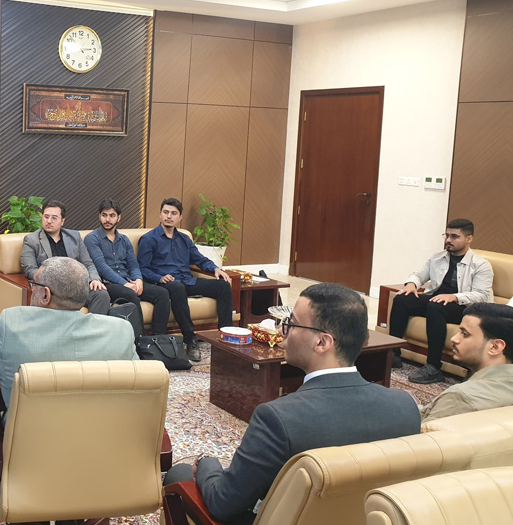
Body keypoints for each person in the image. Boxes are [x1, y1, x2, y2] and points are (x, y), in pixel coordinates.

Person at [163, 283, 421, 524]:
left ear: (322, 342)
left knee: (180, 475)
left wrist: (207, 462)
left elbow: (223, 503)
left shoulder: (278, 418)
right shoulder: (404, 406)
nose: (280, 332)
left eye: (290, 324)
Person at [0, 256, 137, 410]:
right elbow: (140, 390)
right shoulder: (121, 332)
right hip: (104, 439)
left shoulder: (13, 326)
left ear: (46, 295)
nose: (31, 288)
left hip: (29, 442)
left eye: (34, 284)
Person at [388, 218, 494, 384]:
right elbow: (419, 275)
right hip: (437, 302)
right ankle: (393, 353)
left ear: (469, 239)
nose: (448, 240)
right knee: (402, 299)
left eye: (454, 237)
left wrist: (454, 296)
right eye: (447, 235)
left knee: (435, 305)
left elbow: (481, 295)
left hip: (465, 308)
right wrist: (411, 284)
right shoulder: (438, 258)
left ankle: (433, 367)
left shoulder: (481, 265)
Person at [137, 197, 233, 362]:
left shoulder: (184, 239)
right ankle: (190, 339)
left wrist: (215, 269)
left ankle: (226, 337)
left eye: (173, 213)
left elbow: (199, 259)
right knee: (177, 287)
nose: (169, 216)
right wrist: (160, 278)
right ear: (160, 214)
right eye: (166, 212)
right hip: (165, 284)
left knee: (223, 286)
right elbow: (142, 269)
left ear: (180, 217)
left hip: (188, 281)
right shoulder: (149, 239)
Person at [420, 303, 513, 422]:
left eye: (464, 334)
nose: (454, 339)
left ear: (495, 347)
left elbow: (421, 433)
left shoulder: (460, 397)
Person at [84, 198, 171, 336]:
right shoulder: (92, 238)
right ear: (99, 216)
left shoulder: (124, 240)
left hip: (127, 280)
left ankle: (157, 338)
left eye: (112, 215)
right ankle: (139, 339)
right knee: (130, 295)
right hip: (108, 283)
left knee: (162, 294)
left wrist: (138, 280)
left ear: (118, 218)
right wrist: (125, 284)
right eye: (104, 215)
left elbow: (133, 264)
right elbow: (101, 267)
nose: (107, 219)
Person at [19, 199, 111, 315]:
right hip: (52, 289)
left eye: (54, 218)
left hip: (76, 287)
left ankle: (90, 327)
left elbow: (88, 263)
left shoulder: (74, 237)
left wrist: (95, 279)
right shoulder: (32, 240)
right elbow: (30, 269)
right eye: (46, 217)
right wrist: (51, 282)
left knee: (101, 294)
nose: (49, 221)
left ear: (62, 221)